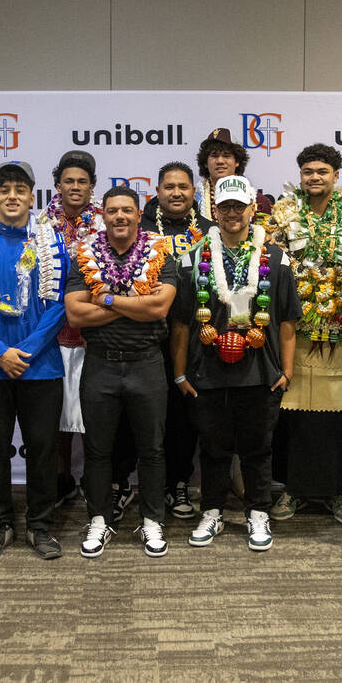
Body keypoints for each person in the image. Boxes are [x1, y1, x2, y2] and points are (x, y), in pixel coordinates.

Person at [172, 175, 300, 552]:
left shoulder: (275, 259)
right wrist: (180, 373)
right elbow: (180, 323)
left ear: (252, 209)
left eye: (238, 206)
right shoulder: (193, 258)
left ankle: (257, 512)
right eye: (224, 206)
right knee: (212, 447)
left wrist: (287, 371)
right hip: (207, 371)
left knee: (258, 447)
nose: (231, 213)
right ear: (215, 211)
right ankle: (211, 510)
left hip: (260, 370)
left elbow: (289, 320)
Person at [0, 161, 70, 560]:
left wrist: (26, 351)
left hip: (41, 367)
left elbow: (59, 305)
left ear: (31, 195)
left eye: (20, 189)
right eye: (5, 189)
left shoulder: (51, 242)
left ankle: (40, 527)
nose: (12, 196)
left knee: (42, 450)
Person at [66, 185, 177, 557]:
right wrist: (135, 302)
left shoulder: (160, 252)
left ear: (137, 214)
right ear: (104, 214)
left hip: (146, 362)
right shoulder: (85, 254)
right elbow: (75, 313)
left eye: (127, 210)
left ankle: (152, 521)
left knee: (153, 450)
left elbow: (160, 307)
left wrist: (110, 298)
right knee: (97, 450)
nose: (119, 217)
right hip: (101, 363)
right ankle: (98, 519)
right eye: (112, 211)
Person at [262, 144, 342, 524]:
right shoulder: (283, 213)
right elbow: (269, 262)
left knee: (341, 418)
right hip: (296, 331)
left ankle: (341, 491)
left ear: (337, 176)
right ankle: (293, 490)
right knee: (294, 418)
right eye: (308, 171)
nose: (315, 177)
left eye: (323, 171)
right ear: (300, 176)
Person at [141, 161, 213, 518]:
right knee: (143, 415)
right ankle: (137, 484)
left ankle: (180, 483)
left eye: (183, 187)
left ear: (194, 192)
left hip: (199, 339)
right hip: (147, 338)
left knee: (187, 415)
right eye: (169, 187)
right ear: (157, 192)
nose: (176, 193)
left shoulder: (212, 231)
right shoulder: (138, 229)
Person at [41, 150, 103, 511]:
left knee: (97, 409)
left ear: (92, 186)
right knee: (56, 412)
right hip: (52, 329)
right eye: (69, 181)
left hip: (96, 327)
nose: (75, 187)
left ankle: (96, 481)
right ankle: (60, 479)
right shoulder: (40, 226)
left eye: (82, 181)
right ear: (58, 185)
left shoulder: (107, 224)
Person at [194, 128, 250, 221]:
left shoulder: (254, 198)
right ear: (205, 162)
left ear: (237, 162)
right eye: (214, 155)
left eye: (226, 155)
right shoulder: (195, 200)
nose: (220, 161)